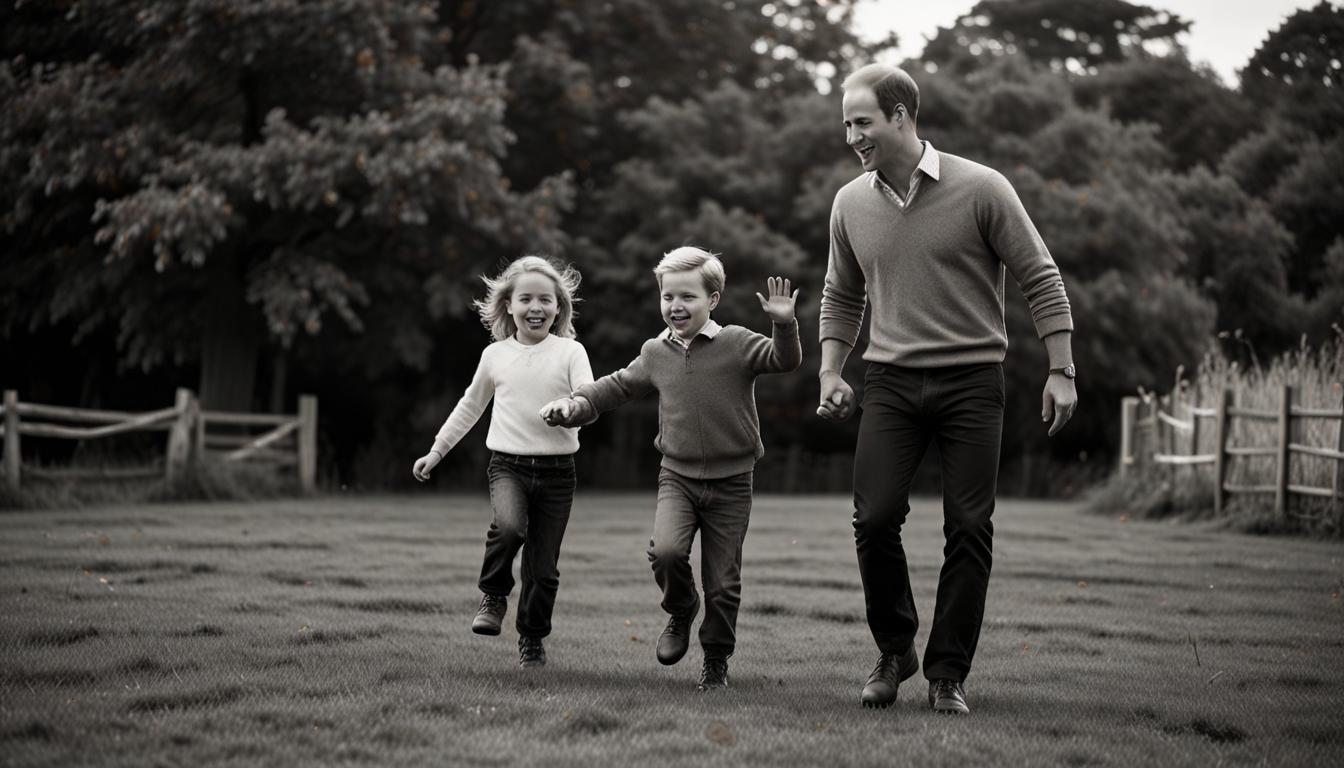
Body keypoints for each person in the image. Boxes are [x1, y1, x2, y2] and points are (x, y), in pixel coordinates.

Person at [817, 63, 1078, 715]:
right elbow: (841, 294)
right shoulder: (850, 203)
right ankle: (895, 650)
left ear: (900, 116)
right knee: (874, 517)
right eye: (846, 124)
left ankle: (947, 674)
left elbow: (1040, 275)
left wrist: (1062, 369)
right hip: (891, 380)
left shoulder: (982, 188)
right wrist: (830, 369)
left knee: (968, 525)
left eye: (862, 122)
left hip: (972, 380)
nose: (852, 137)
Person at [541, 247, 801, 691]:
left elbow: (784, 360)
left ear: (712, 299)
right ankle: (681, 609)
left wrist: (784, 324)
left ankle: (715, 661)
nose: (676, 306)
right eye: (668, 297)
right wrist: (575, 404)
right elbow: (617, 386)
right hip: (677, 477)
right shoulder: (655, 352)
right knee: (665, 552)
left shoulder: (737, 343)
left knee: (723, 583)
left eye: (687, 297)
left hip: (732, 483)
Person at [412, 255, 593, 670]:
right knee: (509, 527)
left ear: (559, 307)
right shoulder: (495, 355)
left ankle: (532, 639)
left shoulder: (571, 351)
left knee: (543, 571)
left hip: (558, 474)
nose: (536, 307)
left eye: (545, 300)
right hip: (508, 466)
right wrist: (437, 451)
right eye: (525, 299)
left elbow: (588, 395)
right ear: (508, 305)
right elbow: (469, 407)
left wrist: (571, 408)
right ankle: (493, 595)